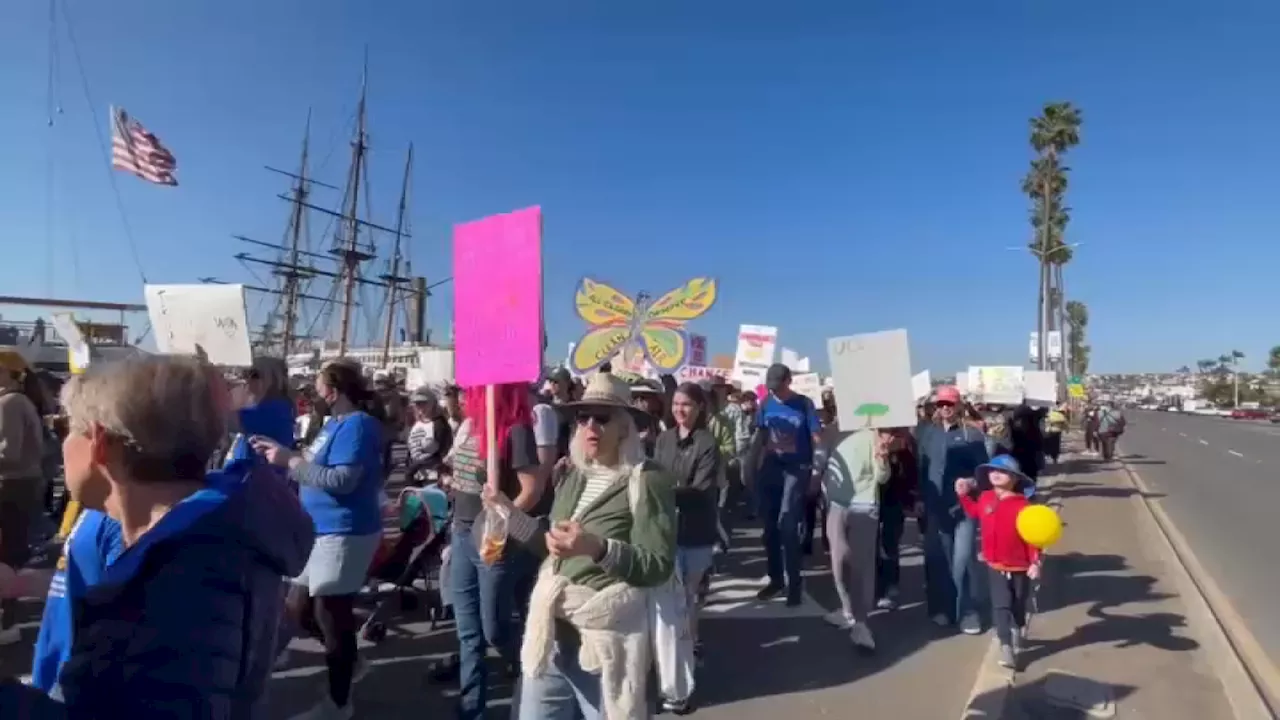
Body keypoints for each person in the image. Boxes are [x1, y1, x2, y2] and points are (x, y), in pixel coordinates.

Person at [20, 355, 314, 715]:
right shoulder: (215, 538)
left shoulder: (180, 578)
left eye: (68, 427)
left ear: (99, 442)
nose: (63, 442)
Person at [486, 372, 675, 720]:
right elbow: (551, 548)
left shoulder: (647, 479)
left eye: (602, 418)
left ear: (625, 426)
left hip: (606, 641)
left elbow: (657, 564)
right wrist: (507, 512)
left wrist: (598, 548)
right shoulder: (572, 474)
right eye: (583, 417)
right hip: (552, 634)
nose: (591, 425)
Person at [251, 359, 386, 720]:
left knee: (330, 611)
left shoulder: (358, 426)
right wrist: (285, 457)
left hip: (345, 530)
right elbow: (312, 465)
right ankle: (350, 661)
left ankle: (339, 703)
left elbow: (343, 480)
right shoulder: (333, 425)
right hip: (319, 529)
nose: (314, 388)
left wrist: (290, 462)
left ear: (333, 389)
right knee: (298, 609)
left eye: (319, 382)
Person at [445, 382, 546, 720]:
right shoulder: (469, 425)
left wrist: (501, 520)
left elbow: (532, 488)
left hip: (493, 540)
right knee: (468, 632)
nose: (463, 396)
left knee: (496, 629)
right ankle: (471, 708)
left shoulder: (516, 429)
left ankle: (537, 666)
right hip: (461, 532)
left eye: (468, 390)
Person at [652, 382, 721, 712]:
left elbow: (701, 488)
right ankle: (676, 678)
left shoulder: (707, 443)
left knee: (690, 603)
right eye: (676, 403)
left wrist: (665, 492)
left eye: (687, 404)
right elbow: (652, 476)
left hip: (696, 533)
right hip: (666, 533)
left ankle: (689, 656)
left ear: (699, 408)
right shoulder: (663, 439)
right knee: (670, 608)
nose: (680, 409)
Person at [955, 455, 1042, 669]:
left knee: (1018, 602)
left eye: (1002, 472)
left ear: (1014, 478)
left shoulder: (1023, 505)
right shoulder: (985, 498)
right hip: (995, 564)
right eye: (992, 470)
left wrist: (1035, 562)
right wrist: (963, 496)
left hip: (1020, 565)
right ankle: (1006, 645)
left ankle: (1017, 627)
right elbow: (974, 511)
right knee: (1000, 605)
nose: (995, 474)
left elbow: (1033, 537)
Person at [917, 385, 989, 634]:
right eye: (941, 404)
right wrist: (918, 498)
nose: (945, 408)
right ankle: (945, 609)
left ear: (958, 406)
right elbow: (922, 467)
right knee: (941, 560)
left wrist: (970, 483)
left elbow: (984, 472)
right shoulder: (927, 433)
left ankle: (969, 612)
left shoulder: (973, 435)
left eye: (949, 404)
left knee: (964, 559)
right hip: (936, 506)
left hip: (964, 507)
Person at [816, 415, 890, 652]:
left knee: (862, 565)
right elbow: (820, 461)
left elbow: (882, 477)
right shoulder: (829, 431)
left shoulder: (876, 432)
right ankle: (847, 610)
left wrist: (882, 458)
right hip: (836, 505)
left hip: (865, 507)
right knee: (838, 562)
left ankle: (861, 622)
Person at [752, 363, 823, 606]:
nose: (775, 392)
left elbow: (817, 439)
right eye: (771, 388)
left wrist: (817, 471)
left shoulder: (804, 404)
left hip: (797, 469)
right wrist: (751, 469)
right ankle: (776, 579)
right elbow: (760, 438)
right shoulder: (765, 404)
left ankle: (794, 582)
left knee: (787, 523)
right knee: (770, 528)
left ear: (789, 381)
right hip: (771, 469)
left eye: (779, 387)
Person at [0, 350, 45, 645]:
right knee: (13, 552)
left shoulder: (9, 402)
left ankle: (6, 622)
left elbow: (8, 453)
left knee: (6, 554)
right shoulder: (21, 401)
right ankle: (8, 621)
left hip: (10, 486)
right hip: (24, 486)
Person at [876, 428, 918, 611]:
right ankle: (876, 586)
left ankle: (889, 585)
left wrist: (912, 500)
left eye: (892, 433)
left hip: (894, 503)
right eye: (884, 433)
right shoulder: (867, 447)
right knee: (870, 547)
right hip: (869, 501)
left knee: (890, 545)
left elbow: (910, 477)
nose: (889, 437)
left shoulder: (903, 450)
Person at [405, 386, 453, 485]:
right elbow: (411, 452)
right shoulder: (417, 424)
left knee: (430, 501)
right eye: (417, 404)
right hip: (414, 478)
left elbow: (446, 453)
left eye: (424, 403)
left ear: (432, 403)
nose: (420, 407)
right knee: (412, 501)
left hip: (433, 480)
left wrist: (444, 474)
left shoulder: (440, 425)